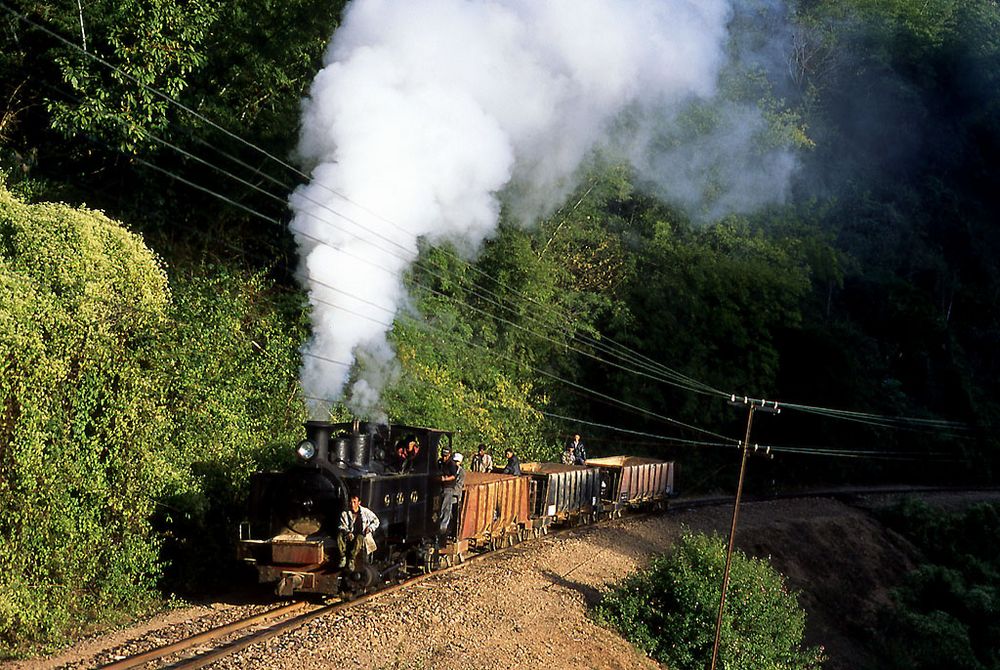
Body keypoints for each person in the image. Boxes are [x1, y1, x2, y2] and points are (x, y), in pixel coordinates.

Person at [337, 494, 380, 571]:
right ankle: (343, 557)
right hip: (349, 536)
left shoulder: (365, 512)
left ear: (359, 502)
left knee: (359, 538)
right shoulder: (345, 513)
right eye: (351, 502)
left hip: (361, 536)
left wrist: (370, 528)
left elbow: (376, 521)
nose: (352, 504)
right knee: (339, 536)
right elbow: (341, 525)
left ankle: (352, 559)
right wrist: (347, 532)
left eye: (354, 502)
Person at [439, 452, 466, 535]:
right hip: (447, 494)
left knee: (452, 514)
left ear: (460, 462)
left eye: (457, 462)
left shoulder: (461, 472)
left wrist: (450, 491)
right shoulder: (449, 468)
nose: (456, 463)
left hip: (455, 497)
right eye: (454, 461)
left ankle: (450, 531)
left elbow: (459, 485)